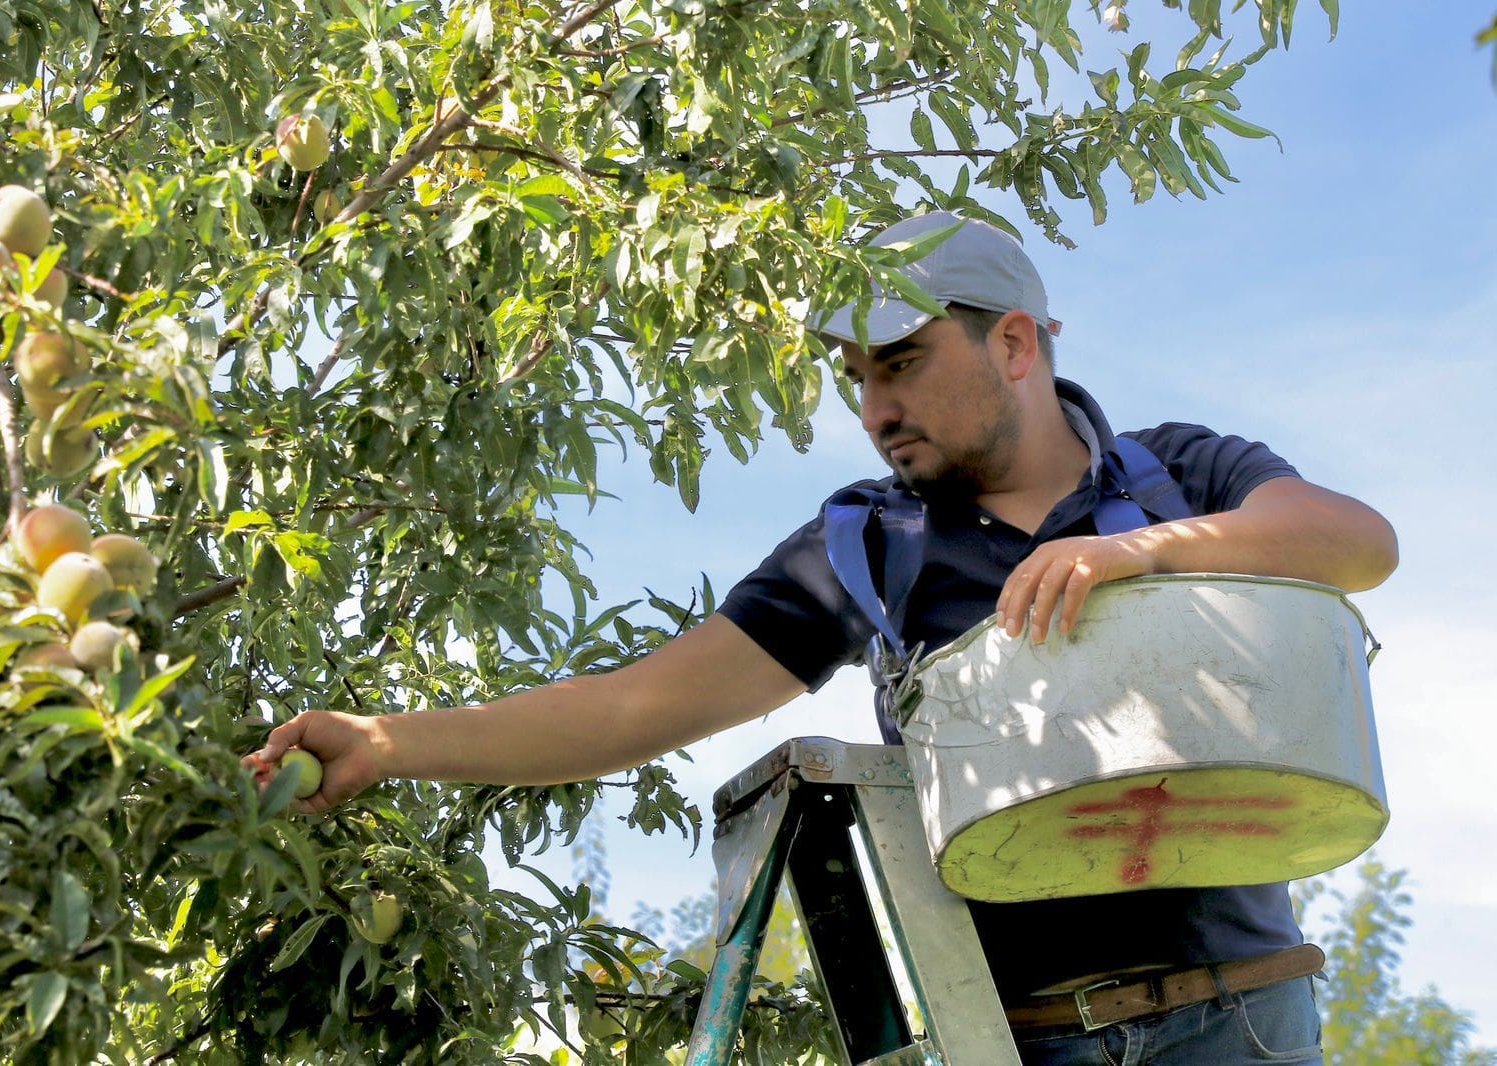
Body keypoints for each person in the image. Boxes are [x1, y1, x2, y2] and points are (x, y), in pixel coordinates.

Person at [246, 212, 1398, 1064]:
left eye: (900, 364)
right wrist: (388, 743)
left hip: (1245, 1019)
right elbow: (638, 705)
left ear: (1012, 344)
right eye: (856, 378)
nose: (873, 409)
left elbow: (1355, 541)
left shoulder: (1174, 474)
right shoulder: (870, 543)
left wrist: (1142, 554)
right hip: (1018, 1038)